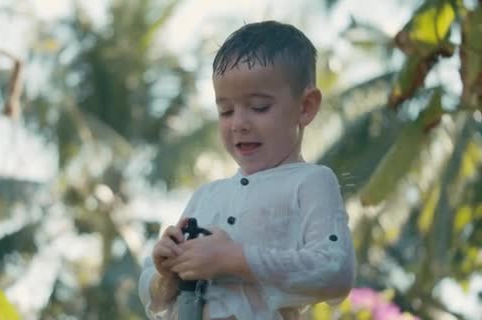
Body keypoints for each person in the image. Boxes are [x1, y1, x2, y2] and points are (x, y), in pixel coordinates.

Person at [138, 20, 356, 320]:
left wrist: (233, 259)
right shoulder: (207, 195)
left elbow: (335, 269)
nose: (238, 123)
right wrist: (168, 271)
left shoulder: (311, 182)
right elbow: (154, 294)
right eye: (225, 111)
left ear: (305, 107)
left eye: (258, 107)